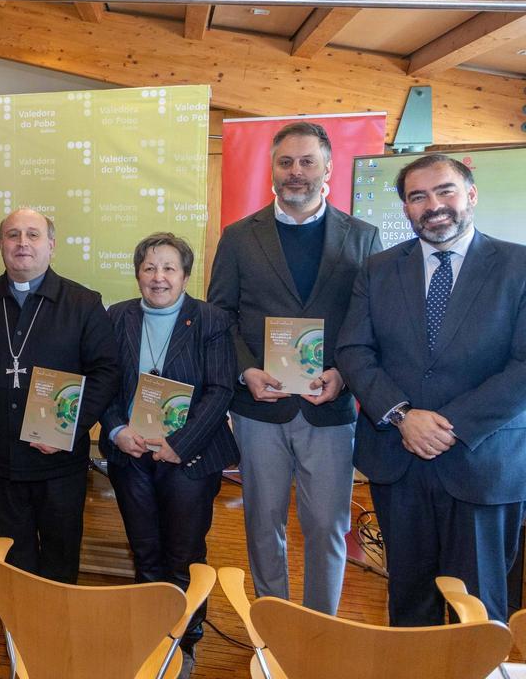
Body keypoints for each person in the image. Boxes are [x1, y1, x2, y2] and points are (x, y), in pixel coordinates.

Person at [337, 154, 526, 625]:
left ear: (471, 195)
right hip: (399, 463)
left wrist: (449, 426)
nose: (433, 205)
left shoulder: (518, 266)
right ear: (405, 209)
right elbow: (355, 350)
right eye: (418, 196)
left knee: (478, 609)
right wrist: (403, 415)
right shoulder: (378, 269)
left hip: (483, 462)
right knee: (409, 602)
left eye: (445, 191)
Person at [207, 121, 381, 614]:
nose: (296, 172)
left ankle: (319, 629)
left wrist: (344, 375)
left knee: (327, 525)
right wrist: (246, 371)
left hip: (330, 406)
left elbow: (369, 321)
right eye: (286, 162)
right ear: (272, 170)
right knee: (263, 523)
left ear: (327, 168)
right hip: (260, 407)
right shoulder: (240, 237)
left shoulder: (363, 238)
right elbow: (222, 315)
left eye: (307, 161)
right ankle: (275, 626)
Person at [0, 208, 119, 583]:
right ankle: (18, 631)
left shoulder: (83, 304)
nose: (23, 243)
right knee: (12, 554)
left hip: (60, 462)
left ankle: (56, 631)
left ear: (51, 245)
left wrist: (69, 427)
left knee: (60, 552)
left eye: (33, 235)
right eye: (13, 235)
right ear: (1, 245)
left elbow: (106, 372)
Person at [101, 233, 237, 671]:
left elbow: (220, 391)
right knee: (145, 552)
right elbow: (101, 381)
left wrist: (180, 445)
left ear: (185, 275)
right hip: (130, 455)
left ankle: (184, 642)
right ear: (138, 273)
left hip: (191, 458)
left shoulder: (210, 319)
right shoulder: (116, 316)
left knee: (184, 554)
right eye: (149, 268)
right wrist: (117, 428)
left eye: (168, 269)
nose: (158, 278)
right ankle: (150, 635)